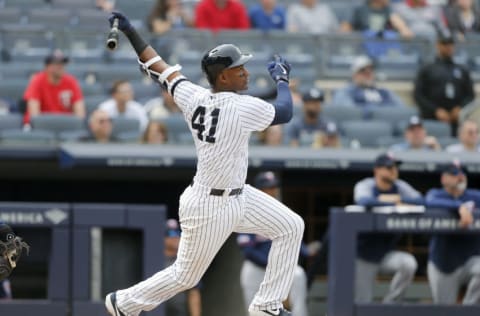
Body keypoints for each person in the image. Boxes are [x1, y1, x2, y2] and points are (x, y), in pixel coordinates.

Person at [104, 12, 304, 316]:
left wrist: (131, 30)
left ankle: (266, 306)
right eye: (240, 68)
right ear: (223, 76)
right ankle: (124, 303)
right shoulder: (239, 106)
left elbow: (156, 65)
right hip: (209, 206)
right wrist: (282, 80)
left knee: (291, 226)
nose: (246, 73)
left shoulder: (193, 94)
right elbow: (285, 111)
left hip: (238, 195)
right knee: (186, 276)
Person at [237, 171, 319, 316]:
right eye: (267, 188)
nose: (272, 191)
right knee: (253, 312)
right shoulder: (247, 211)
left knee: (298, 274)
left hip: (278, 267)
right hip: (256, 268)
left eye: (274, 187)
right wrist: (273, 265)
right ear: (258, 190)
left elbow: (292, 236)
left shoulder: (281, 211)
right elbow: (248, 251)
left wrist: (306, 250)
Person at [353, 152, 423, 303]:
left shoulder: (400, 187)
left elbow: (420, 200)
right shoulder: (367, 185)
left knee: (408, 264)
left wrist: (398, 199)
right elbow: (364, 201)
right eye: (389, 167)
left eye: (396, 167)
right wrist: (392, 201)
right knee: (362, 302)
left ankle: (389, 306)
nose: (394, 171)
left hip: (385, 254)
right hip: (363, 255)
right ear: (377, 170)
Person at [425, 160, 480, 304]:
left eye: (462, 174)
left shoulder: (474, 196)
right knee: (445, 310)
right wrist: (459, 207)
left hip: (470, 261)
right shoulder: (436, 194)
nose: (460, 177)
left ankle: (468, 310)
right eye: (455, 174)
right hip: (444, 264)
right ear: (444, 179)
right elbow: (428, 201)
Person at [413, 27, 474, 134]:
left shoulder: (462, 69)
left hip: (458, 120)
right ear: (438, 45)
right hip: (432, 118)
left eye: (450, 44)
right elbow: (418, 94)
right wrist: (435, 110)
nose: (448, 47)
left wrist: (460, 108)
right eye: (445, 44)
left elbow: (470, 95)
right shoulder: (427, 68)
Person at [331, 55, 407, 119]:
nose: (368, 73)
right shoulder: (346, 91)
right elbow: (350, 113)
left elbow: (401, 110)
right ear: (354, 75)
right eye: (363, 71)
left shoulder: (384, 91)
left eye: (371, 70)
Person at [22, 49, 86, 125]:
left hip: (64, 126)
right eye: (57, 63)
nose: (61, 66)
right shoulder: (37, 81)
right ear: (47, 66)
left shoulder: (71, 81)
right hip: (43, 126)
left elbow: (80, 114)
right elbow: (34, 115)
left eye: (63, 63)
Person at [164, 219, 202, 316]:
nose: (176, 238)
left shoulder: (186, 262)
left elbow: (194, 293)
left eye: (177, 234)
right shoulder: (154, 261)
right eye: (171, 235)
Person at [344, 0, 413, 38]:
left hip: (382, 47)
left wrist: (403, 29)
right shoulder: (360, 9)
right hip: (363, 47)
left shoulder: (388, 9)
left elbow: (404, 30)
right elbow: (345, 29)